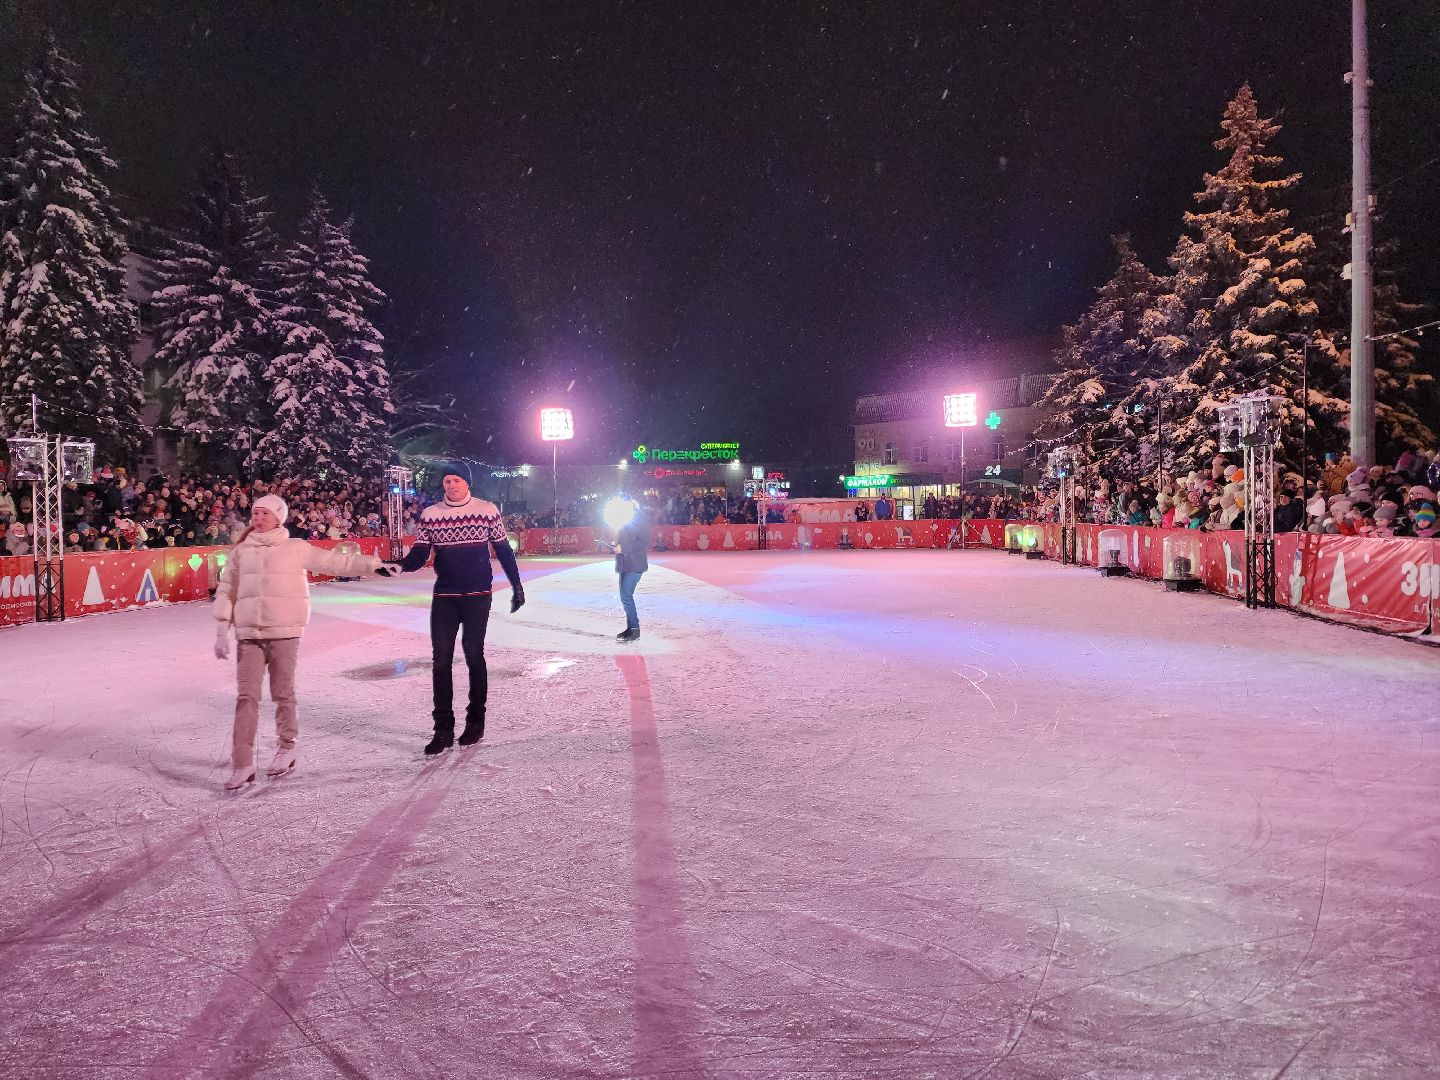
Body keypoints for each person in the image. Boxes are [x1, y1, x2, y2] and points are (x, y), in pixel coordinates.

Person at [213, 494, 383, 791]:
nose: (258, 518)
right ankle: (242, 763)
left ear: (278, 517)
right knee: (246, 697)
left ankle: (287, 746)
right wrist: (221, 629)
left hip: (284, 631)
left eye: (265, 513)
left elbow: (336, 562)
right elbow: (227, 590)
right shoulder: (241, 552)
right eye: (255, 513)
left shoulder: (295, 548)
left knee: (282, 693)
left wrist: (373, 565)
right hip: (249, 633)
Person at [391, 461, 525, 755]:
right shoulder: (431, 515)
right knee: (441, 661)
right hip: (445, 596)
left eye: (456, 480)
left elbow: (504, 550)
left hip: (477, 594)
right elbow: (420, 553)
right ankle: (443, 729)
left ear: (467, 483)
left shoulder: (486, 510)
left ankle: (475, 721)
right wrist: (399, 566)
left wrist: (517, 585)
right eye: (447, 481)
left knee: (474, 655)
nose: (451, 485)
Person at [611, 496, 650, 642]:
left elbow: (644, 541)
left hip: (635, 564)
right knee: (625, 596)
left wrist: (623, 548)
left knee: (626, 595)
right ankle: (631, 628)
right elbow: (625, 540)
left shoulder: (638, 516)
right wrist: (616, 546)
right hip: (625, 563)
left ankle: (634, 629)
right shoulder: (624, 517)